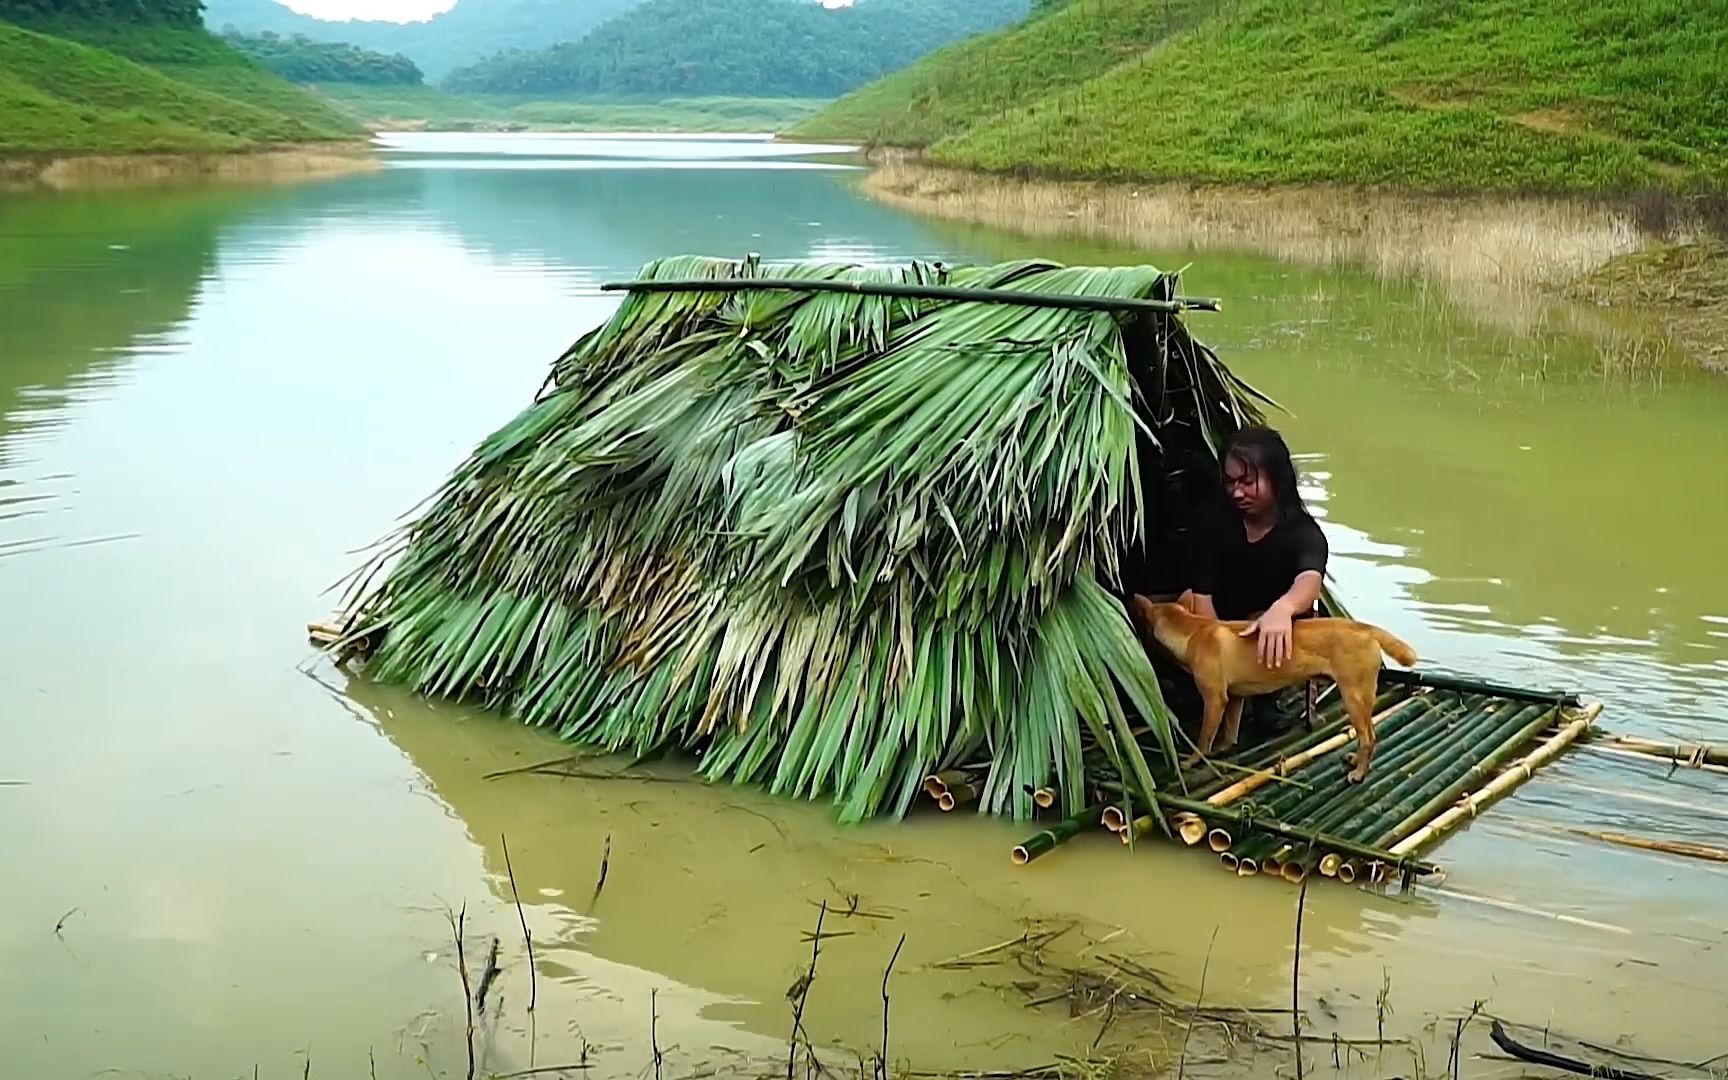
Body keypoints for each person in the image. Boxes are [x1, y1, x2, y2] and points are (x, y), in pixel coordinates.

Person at [1182, 427, 1329, 671]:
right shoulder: (1213, 522)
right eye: (1230, 482)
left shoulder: (1303, 533)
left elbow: (1310, 580)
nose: (1237, 492)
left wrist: (1283, 608)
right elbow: (1202, 597)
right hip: (1223, 633)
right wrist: (1221, 657)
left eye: (1248, 482)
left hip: (1275, 642)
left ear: (1277, 479)